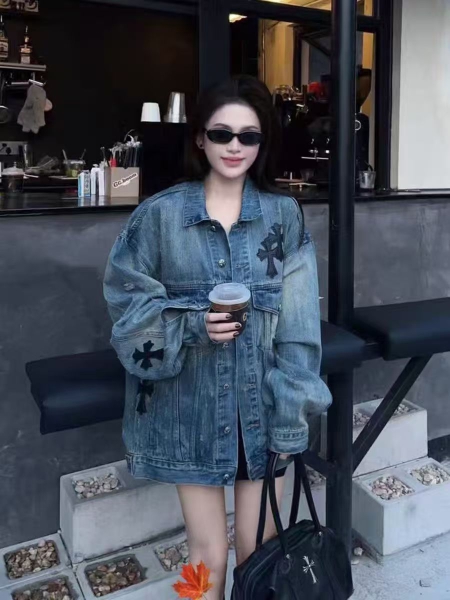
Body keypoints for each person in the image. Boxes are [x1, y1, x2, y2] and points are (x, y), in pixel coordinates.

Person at [103, 76, 332, 599]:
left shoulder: (283, 216)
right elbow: (126, 303)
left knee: (260, 553)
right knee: (206, 556)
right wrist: (191, 325)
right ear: (200, 139)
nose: (234, 146)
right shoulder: (160, 217)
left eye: (248, 136)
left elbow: (299, 330)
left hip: (265, 407)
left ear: (262, 143)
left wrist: (292, 416)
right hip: (189, 412)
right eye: (222, 133)